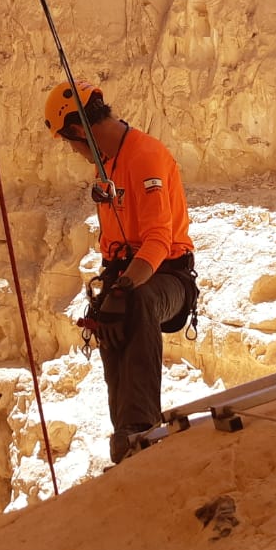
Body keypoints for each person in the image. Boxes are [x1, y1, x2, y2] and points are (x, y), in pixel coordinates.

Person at [43, 79, 198, 465]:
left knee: (135, 300)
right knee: (109, 320)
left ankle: (141, 428)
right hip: (126, 271)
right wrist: (113, 289)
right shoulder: (108, 162)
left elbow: (159, 240)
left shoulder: (144, 156)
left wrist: (123, 288)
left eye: (71, 143)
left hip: (167, 277)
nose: (74, 151)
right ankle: (125, 436)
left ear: (79, 131)